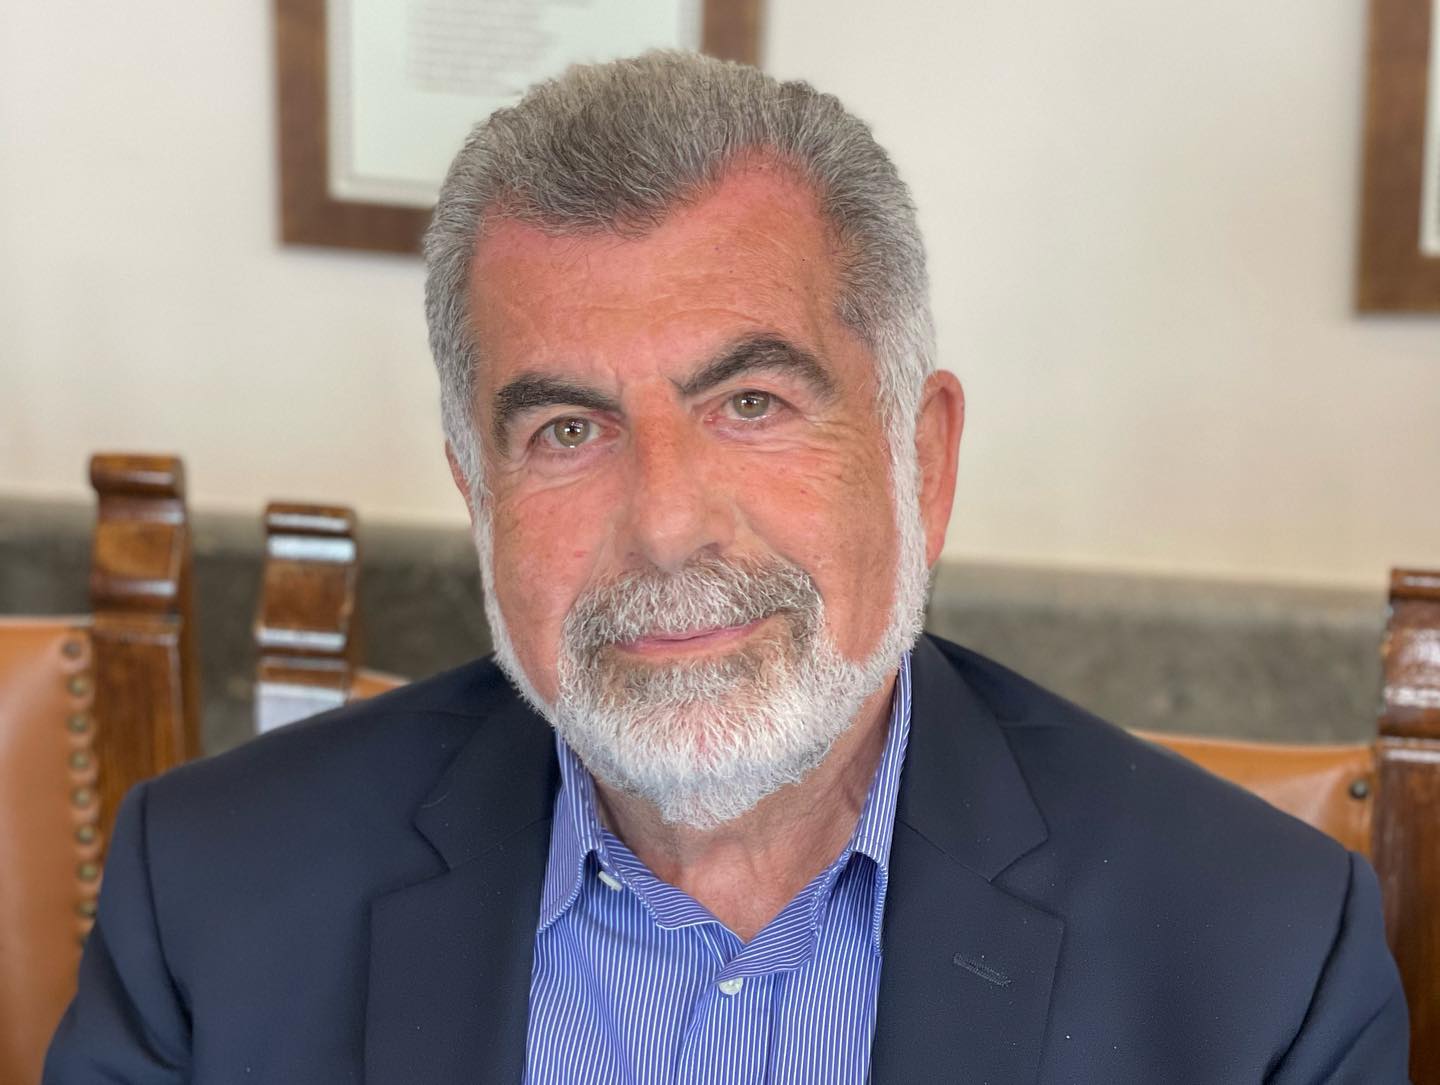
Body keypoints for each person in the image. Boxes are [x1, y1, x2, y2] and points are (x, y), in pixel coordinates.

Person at [46, 51, 1407, 1084]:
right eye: (567, 430)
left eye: (752, 403)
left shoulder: (1262, 961)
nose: (665, 524)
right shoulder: (211, 899)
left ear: (921, 460)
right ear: (477, 495)